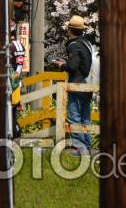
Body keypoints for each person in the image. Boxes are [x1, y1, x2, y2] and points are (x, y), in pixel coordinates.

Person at [53, 15, 94, 154]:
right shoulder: (87, 44)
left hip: (77, 84)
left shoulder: (74, 45)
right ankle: (87, 146)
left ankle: (81, 148)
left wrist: (62, 65)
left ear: (70, 29)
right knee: (85, 118)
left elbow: (72, 66)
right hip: (89, 83)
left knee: (74, 117)